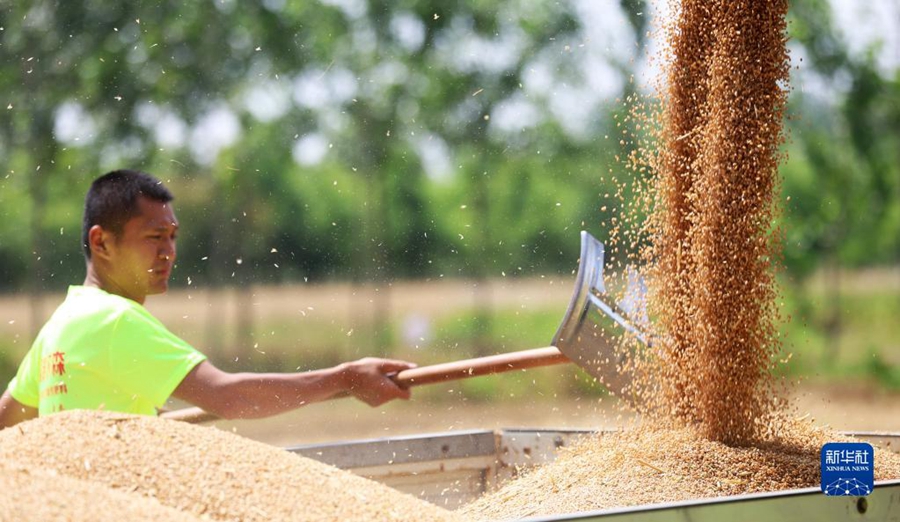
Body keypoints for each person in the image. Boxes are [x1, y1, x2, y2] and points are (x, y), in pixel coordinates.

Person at [0, 169, 415, 429]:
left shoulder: (60, 323)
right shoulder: (114, 320)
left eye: (173, 237)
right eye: (153, 237)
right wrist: (344, 378)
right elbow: (231, 396)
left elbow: (7, 421)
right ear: (101, 242)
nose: (168, 252)